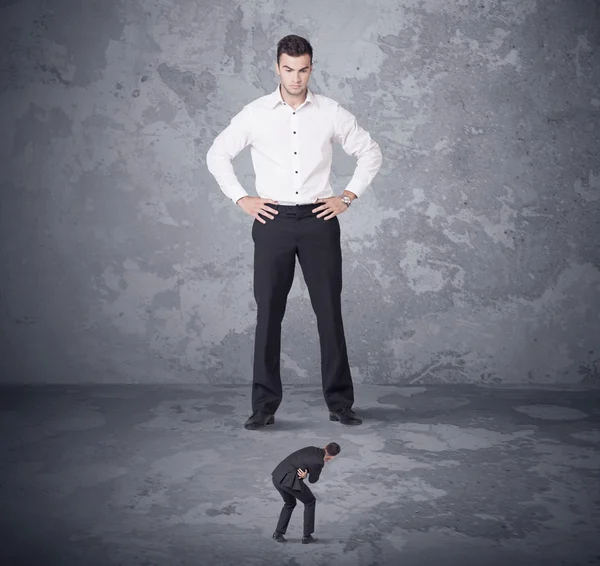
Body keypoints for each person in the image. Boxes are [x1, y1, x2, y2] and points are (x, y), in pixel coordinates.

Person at [206, 35, 382, 430]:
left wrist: (347, 196)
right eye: (289, 69)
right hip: (272, 223)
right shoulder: (255, 114)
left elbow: (371, 151)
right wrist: (241, 198)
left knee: (329, 313)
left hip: (320, 221)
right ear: (277, 67)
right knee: (269, 314)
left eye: (303, 70)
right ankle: (263, 408)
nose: (296, 77)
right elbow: (217, 154)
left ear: (311, 69)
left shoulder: (331, 112)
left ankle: (340, 404)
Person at [271, 442, 341, 543]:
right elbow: (313, 480)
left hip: (277, 476)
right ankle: (307, 536)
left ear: (325, 446)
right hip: (288, 482)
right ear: (332, 457)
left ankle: (278, 534)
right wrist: (306, 474)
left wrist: (306, 471)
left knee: (289, 503)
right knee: (310, 501)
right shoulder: (319, 462)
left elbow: (301, 461)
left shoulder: (311, 448)